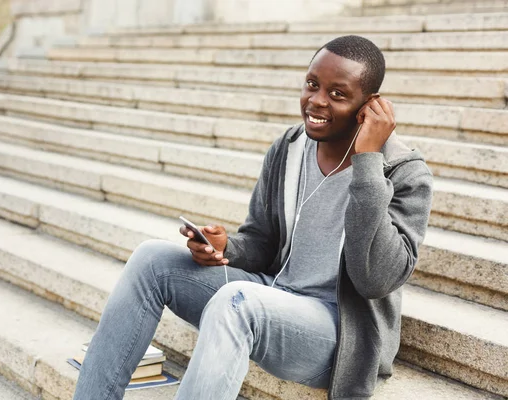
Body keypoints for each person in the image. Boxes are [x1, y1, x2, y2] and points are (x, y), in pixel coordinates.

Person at [72, 35, 434, 400]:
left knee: (238, 301)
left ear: (369, 106)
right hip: (271, 295)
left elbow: (376, 279)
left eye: (337, 94)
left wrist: (368, 162)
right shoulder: (290, 148)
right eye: (312, 85)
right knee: (152, 259)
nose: (316, 101)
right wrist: (226, 245)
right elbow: (261, 241)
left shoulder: (403, 173)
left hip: (338, 334)